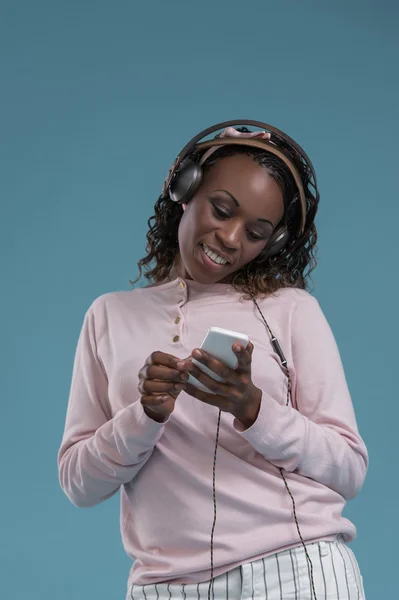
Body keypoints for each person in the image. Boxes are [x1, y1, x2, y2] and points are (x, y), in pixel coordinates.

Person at [58, 121, 368, 600]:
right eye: (221, 210)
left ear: (275, 243)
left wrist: (253, 408)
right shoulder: (109, 316)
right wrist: (145, 416)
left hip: (295, 571)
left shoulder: (292, 310)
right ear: (185, 189)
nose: (229, 238)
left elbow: (347, 468)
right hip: (164, 586)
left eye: (256, 232)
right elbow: (80, 484)